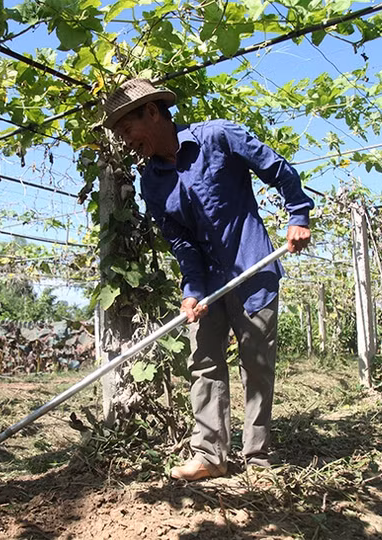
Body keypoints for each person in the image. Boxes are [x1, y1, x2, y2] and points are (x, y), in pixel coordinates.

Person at [102, 78, 314, 481]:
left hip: (253, 270)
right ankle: (210, 455)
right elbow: (181, 242)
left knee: (256, 365)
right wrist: (191, 290)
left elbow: (278, 170)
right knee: (204, 362)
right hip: (209, 286)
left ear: (151, 112)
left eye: (127, 130)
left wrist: (298, 215)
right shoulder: (152, 181)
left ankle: (258, 458)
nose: (127, 142)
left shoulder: (218, 136)